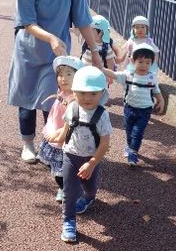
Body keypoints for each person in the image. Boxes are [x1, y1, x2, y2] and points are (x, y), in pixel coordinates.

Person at [8, 0, 103, 164]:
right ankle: (27, 143)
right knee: (27, 100)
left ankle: (50, 142)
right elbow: (27, 22)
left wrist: (96, 54)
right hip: (28, 52)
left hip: (57, 56)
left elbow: (83, 21)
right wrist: (51, 37)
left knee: (53, 101)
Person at [47, 66, 111, 243]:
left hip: (91, 159)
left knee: (89, 187)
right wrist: (56, 137)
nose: (88, 98)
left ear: (102, 93)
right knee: (69, 192)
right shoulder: (73, 108)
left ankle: (89, 197)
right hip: (70, 156)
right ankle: (68, 221)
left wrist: (92, 163)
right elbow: (67, 128)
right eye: (82, 93)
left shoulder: (102, 115)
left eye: (93, 93)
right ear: (74, 92)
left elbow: (105, 143)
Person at [102, 43, 164, 166]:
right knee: (129, 131)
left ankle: (133, 154)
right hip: (129, 108)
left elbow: (156, 91)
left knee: (137, 132)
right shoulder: (128, 75)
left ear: (152, 63)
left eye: (148, 62)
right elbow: (114, 74)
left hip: (145, 110)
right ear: (132, 61)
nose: (144, 65)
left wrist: (161, 101)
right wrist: (100, 68)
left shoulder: (152, 78)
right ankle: (131, 146)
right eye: (140, 62)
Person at [37, 56, 83, 203]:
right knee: (59, 169)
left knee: (65, 169)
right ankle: (65, 187)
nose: (63, 79)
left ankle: (68, 189)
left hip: (66, 138)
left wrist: (60, 134)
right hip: (55, 134)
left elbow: (73, 122)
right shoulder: (62, 93)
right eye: (60, 75)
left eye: (69, 74)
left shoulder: (77, 99)